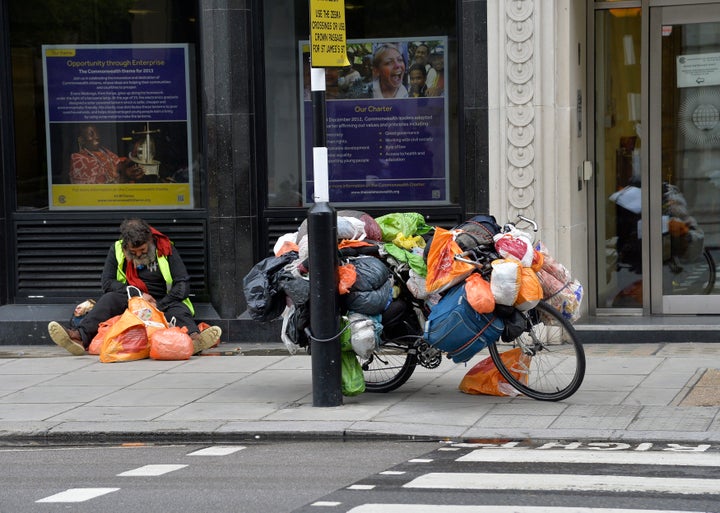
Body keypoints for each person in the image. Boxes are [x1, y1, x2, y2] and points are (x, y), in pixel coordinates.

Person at [48, 218, 221, 356]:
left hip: (162, 301)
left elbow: (182, 285)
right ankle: (79, 337)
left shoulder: (165, 248)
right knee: (108, 299)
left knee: (179, 309)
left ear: (150, 241)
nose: (138, 255)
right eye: (133, 252)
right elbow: (107, 283)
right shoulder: (116, 249)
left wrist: (158, 306)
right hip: (131, 299)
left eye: (143, 251)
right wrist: (138, 295)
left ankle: (194, 339)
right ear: (125, 246)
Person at [69, 125, 145, 184]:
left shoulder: (104, 151)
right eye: (91, 134)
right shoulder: (78, 159)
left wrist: (134, 154)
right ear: (81, 140)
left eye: (97, 133)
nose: (97, 136)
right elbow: (97, 190)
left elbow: (118, 166)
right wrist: (126, 177)